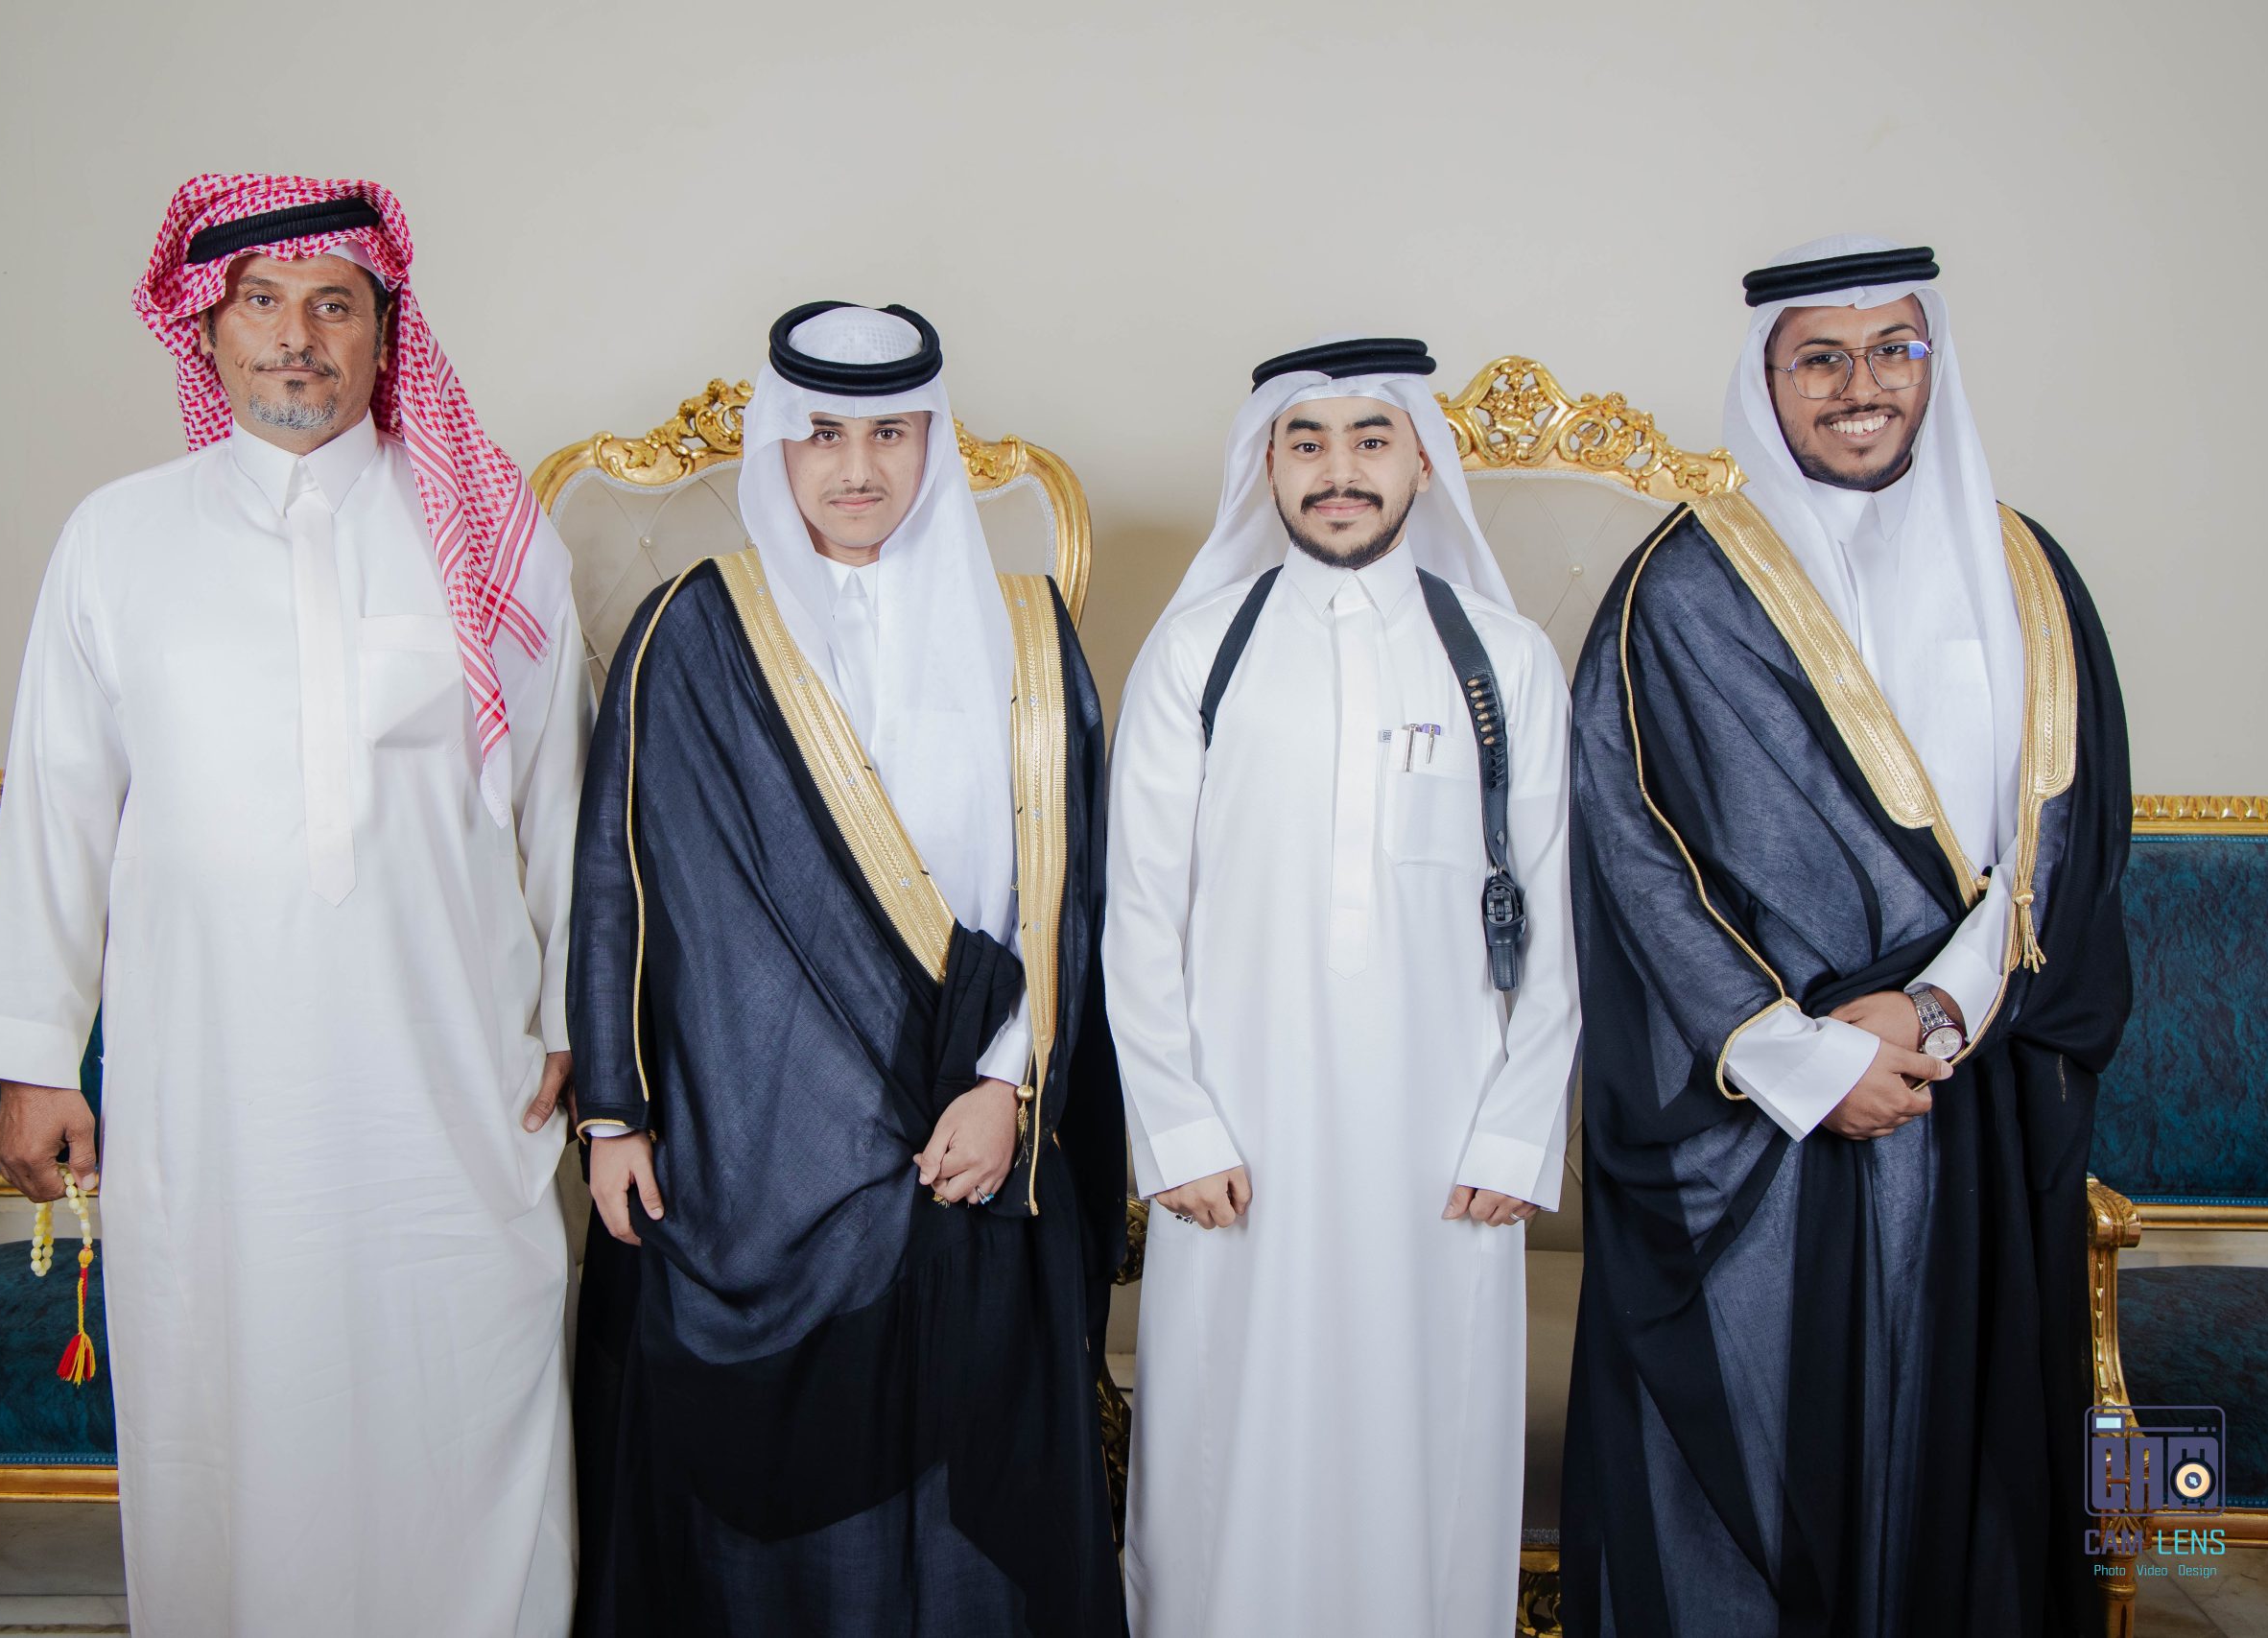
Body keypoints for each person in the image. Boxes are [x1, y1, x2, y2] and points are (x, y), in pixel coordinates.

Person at [0, 175, 590, 1635]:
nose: (297, 337)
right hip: (213, 1081)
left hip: (450, 1065)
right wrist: (35, 1057)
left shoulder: (486, 531)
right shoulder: (119, 538)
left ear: (383, 335)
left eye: (333, 305)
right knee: (228, 1392)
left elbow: (560, 794)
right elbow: (56, 806)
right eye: (261, 304)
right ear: (206, 329)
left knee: (465, 1378)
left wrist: (575, 1015)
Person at [1559, 237, 2134, 1637]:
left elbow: (2066, 830)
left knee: (1962, 1469)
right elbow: (1630, 853)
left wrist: (1933, 1015)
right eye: (1821, 358)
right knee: (1761, 1476)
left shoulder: (2026, 572)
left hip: (1966, 1087)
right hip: (1757, 1108)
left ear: (1933, 366)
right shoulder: (1681, 586)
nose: (1860, 386)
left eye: (1893, 351)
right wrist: (1804, 1058)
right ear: (1768, 380)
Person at [565, 301, 1127, 1636]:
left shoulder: (1026, 632)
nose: (857, 467)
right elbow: (615, 880)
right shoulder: (692, 628)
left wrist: (1009, 1090)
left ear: (937, 444)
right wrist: (615, 1113)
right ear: (777, 444)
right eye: (822, 434)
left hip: (962, 1126)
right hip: (741, 1140)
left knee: (961, 1470)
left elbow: (1066, 894)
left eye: (890, 434)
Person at [1104, 337, 1579, 1637]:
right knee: (1226, 1456)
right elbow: (1137, 915)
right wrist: (1177, 1126)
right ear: (1266, 466)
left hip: (1447, 1147)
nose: (1339, 471)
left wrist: (1518, 1131)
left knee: (1429, 1453)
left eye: (1372, 439)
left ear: (1423, 460)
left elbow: (1550, 920)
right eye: (1306, 443)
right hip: (1237, 1144)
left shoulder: (1503, 663)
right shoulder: (1196, 654)